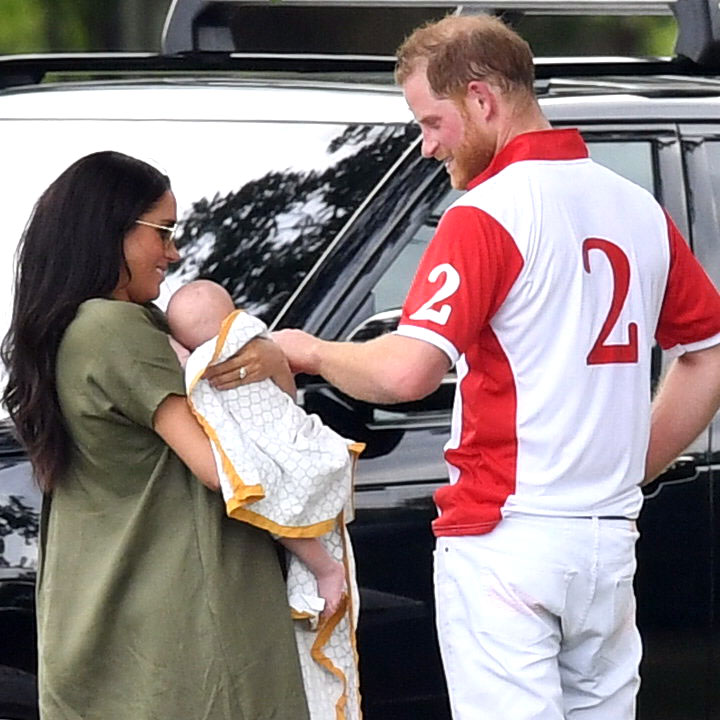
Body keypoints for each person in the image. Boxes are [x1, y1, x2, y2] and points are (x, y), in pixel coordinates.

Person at [258, 14, 720, 720]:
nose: (426, 145)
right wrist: (631, 462)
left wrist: (312, 351)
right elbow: (707, 352)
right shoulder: (637, 207)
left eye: (430, 121)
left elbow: (407, 372)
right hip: (607, 537)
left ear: (481, 99)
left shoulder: (485, 214)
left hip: (506, 536)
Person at [0, 151, 310, 720]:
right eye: (162, 232)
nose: (174, 252)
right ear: (108, 229)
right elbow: (223, 466)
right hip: (186, 630)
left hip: (114, 631)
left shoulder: (73, 329)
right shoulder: (115, 328)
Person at [166, 278, 362, 720]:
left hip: (284, 458)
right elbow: (288, 393)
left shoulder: (209, 362)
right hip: (297, 451)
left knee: (275, 502)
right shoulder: (260, 345)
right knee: (282, 500)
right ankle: (326, 570)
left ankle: (326, 571)